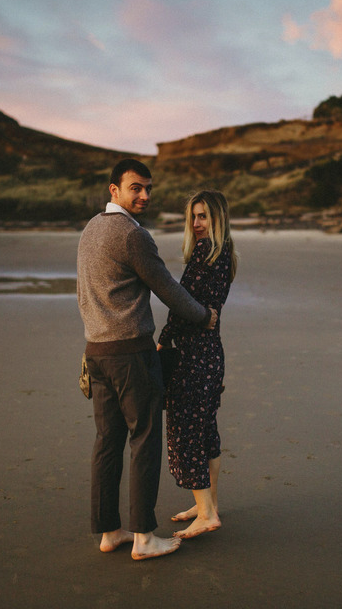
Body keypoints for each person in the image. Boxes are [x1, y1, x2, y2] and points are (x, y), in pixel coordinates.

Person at [76, 159, 217, 561]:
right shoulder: (132, 236)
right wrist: (204, 315)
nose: (144, 196)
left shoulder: (90, 229)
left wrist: (94, 336)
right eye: (135, 188)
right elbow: (167, 289)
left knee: (107, 442)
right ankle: (143, 536)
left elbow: (85, 293)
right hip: (131, 353)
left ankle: (109, 531)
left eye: (148, 189)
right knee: (144, 439)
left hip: (96, 352)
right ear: (114, 190)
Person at [157, 190, 237, 540]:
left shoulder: (205, 253)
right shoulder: (226, 254)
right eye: (193, 216)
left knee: (187, 432)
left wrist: (163, 337)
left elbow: (182, 304)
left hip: (193, 356)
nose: (196, 223)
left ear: (218, 219)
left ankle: (206, 513)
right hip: (211, 353)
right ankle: (209, 505)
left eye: (203, 216)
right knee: (205, 431)